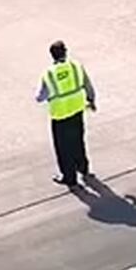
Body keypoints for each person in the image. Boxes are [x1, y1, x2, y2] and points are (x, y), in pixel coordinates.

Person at [35, 40, 97, 188]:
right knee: (78, 141)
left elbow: (39, 97)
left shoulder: (49, 74)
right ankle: (83, 168)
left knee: (64, 149)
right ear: (65, 52)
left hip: (60, 116)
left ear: (52, 55)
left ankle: (70, 177)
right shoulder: (76, 66)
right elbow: (88, 85)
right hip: (77, 111)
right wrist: (91, 100)